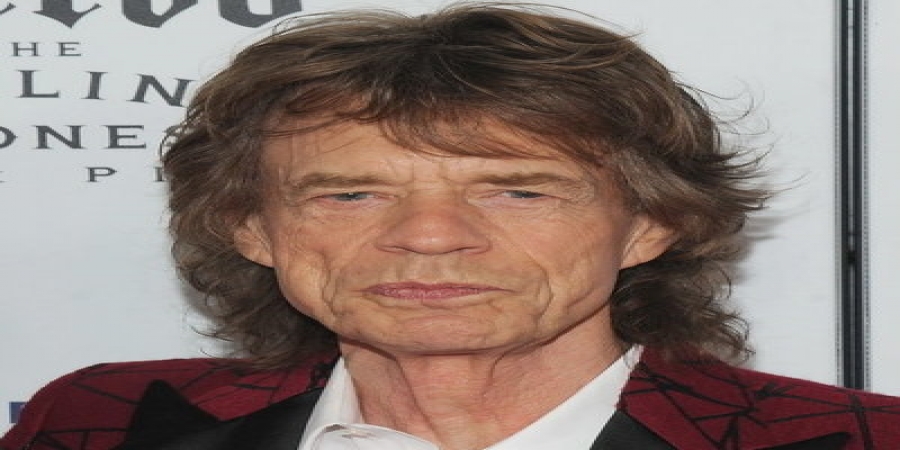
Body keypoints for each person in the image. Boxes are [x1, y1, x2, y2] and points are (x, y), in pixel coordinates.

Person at [3, 3, 898, 450]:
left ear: (652, 223)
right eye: (350, 195)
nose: (430, 236)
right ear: (250, 228)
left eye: (518, 192)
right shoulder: (98, 425)